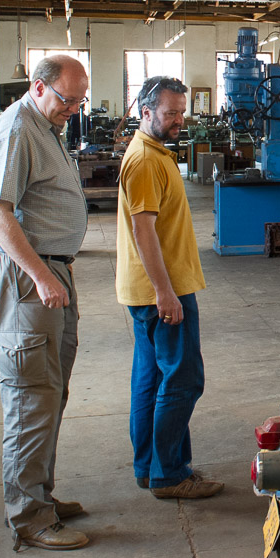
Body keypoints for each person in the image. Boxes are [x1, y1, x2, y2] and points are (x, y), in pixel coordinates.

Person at [0, 54, 92, 550]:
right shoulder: (17, 130)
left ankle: (40, 496)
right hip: (30, 279)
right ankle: (28, 516)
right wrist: (42, 275)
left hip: (50, 272)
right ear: (39, 87)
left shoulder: (46, 126)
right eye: (68, 99)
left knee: (50, 392)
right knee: (30, 396)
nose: (74, 109)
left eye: (80, 101)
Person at [116, 75, 222, 500]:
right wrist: (165, 292)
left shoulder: (154, 152)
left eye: (182, 112)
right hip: (162, 291)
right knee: (183, 379)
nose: (180, 120)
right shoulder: (145, 160)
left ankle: (149, 467)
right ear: (146, 112)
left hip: (151, 289)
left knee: (152, 379)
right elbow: (143, 231)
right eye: (170, 113)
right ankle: (170, 474)